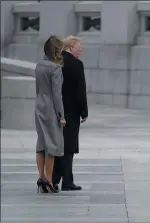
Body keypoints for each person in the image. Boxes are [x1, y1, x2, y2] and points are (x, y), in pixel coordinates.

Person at [53, 36, 88, 191]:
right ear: (71, 46)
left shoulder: (57, 62)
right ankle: (63, 181)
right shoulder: (76, 64)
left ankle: (58, 179)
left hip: (56, 109)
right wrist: (84, 111)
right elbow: (80, 91)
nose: (81, 49)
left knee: (61, 145)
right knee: (69, 147)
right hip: (72, 111)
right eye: (79, 47)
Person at [35, 35, 66, 193]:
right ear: (56, 51)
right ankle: (48, 179)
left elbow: (38, 89)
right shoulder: (55, 68)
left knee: (41, 144)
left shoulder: (39, 65)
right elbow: (57, 95)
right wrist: (61, 116)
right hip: (50, 109)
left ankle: (40, 177)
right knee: (52, 146)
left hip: (39, 106)